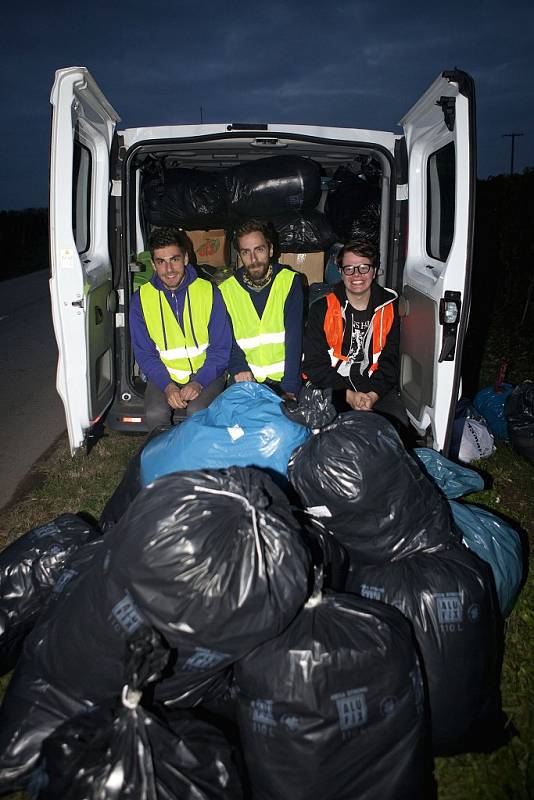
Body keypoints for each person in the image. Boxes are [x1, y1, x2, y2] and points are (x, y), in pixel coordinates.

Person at [129, 227, 232, 430]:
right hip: (165, 374)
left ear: (185, 258)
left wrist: (199, 382)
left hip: (208, 373)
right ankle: (166, 457)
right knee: (155, 412)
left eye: (174, 259)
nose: (169, 270)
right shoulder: (140, 300)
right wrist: (167, 386)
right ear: (153, 264)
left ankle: (202, 458)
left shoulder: (208, 292)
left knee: (198, 411)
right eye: (161, 262)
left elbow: (221, 349)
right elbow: (144, 353)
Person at [302, 238, 406, 422]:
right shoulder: (322, 309)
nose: (356, 275)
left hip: (376, 391)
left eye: (364, 268)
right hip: (333, 388)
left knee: (395, 428)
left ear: (374, 271)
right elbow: (313, 364)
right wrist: (348, 395)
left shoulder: (389, 308)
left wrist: (373, 395)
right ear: (341, 273)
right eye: (349, 269)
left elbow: (391, 360)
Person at [220, 220, 304, 400]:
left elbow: (294, 339)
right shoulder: (226, 290)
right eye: (246, 252)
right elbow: (228, 340)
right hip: (245, 378)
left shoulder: (289, 282)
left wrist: (290, 388)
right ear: (239, 256)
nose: (254, 259)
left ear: (270, 250)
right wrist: (238, 368)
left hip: (284, 381)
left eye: (259, 249)